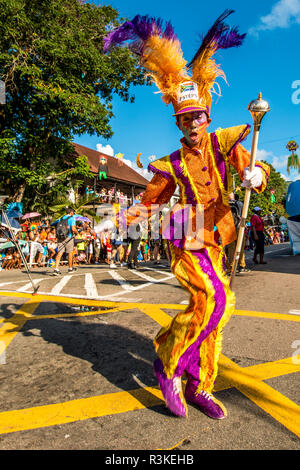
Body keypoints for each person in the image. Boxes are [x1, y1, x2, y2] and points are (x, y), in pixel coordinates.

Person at [101, 12, 270, 420]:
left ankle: (201, 384)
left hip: (218, 235)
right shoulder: (173, 162)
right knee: (215, 300)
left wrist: (257, 175)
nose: (192, 123)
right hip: (188, 233)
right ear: (178, 122)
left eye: (198, 116)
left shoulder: (224, 143)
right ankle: (168, 363)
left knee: (216, 310)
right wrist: (116, 220)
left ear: (206, 117)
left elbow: (256, 170)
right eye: (185, 118)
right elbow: (151, 202)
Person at [225, 193, 249, 274]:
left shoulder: (225, 204)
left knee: (231, 247)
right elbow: (244, 215)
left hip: (229, 228)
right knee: (240, 247)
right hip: (239, 227)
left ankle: (231, 267)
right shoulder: (240, 204)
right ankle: (241, 266)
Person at [53, 207, 78, 275]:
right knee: (70, 253)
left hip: (60, 237)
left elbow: (52, 224)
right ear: (71, 212)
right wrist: (77, 232)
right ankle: (70, 268)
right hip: (68, 237)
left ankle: (56, 269)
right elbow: (73, 228)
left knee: (60, 252)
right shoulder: (72, 218)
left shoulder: (60, 218)